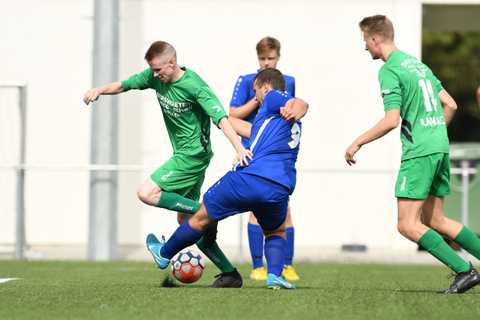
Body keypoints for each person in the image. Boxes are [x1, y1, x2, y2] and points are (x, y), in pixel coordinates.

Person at [83, 40, 252, 288]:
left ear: (172, 63)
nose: (154, 74)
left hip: (191, 155)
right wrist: (99, 89)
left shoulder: (194, 85)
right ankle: (230, 274)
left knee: (146, 192)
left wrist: (239, 148)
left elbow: (221, 119)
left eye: (158, 69)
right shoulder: (155, 78)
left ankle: (206, 211)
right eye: (152, 70)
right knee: (188, 226)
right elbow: (124, 85)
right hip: (187, 155)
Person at [345, 15, 480, 294]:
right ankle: (467, 268)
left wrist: (357, 142)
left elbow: (391, 119)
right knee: (436, 220)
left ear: (374, 39)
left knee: (407, 224)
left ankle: (465, 271)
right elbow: (451, 104)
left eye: (365, 42)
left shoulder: (390, 70)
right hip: (440, 146)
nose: (365, 48)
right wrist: (432, 133)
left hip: (419, 153)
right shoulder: (418, 65)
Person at [146, 68, 308, 289]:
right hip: (280, 186)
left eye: (256, 92)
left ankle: (163, 254)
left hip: (249, 179)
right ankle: (274, 275)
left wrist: (300, 106)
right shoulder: (278, 122)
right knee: (275, 231)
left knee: (199, 217)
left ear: (266, 87)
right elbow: (238, 124)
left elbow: (300, 103)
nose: (256, 98)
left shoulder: (274, 98)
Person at [229, 36, 299, 282]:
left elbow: (291, 111)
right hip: (252, 148)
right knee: (255, 209)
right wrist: (259, 97)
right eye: (263, 59)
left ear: (278, 57)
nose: (267, 63)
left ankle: (286, 265)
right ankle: (258, 265)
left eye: (271, 58)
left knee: (284, 210)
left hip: (276, 150)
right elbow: (233, 114)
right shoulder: (248, 81)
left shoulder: (288, 81)